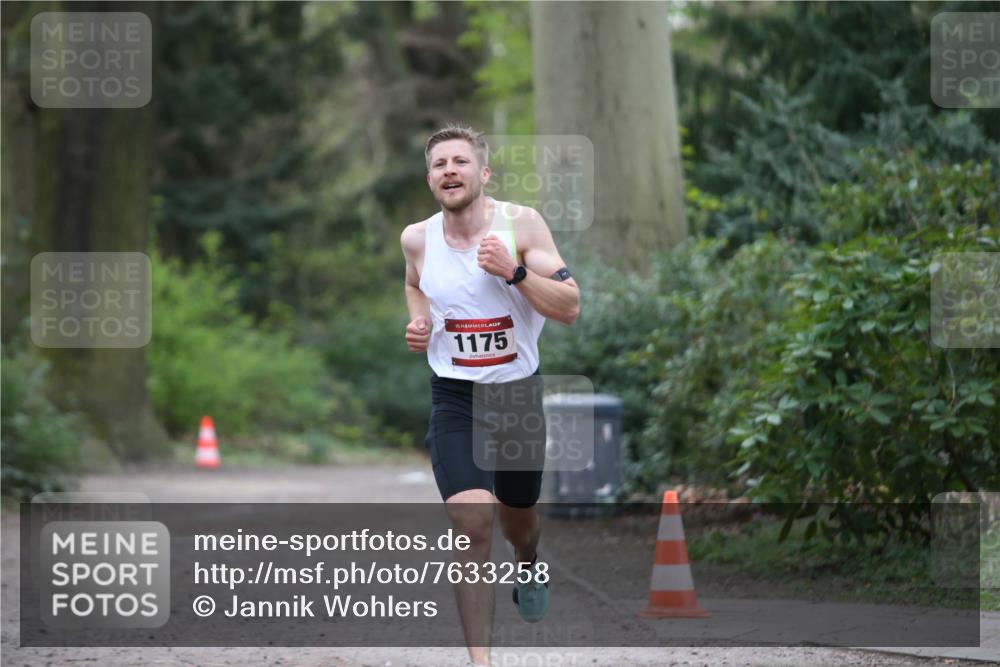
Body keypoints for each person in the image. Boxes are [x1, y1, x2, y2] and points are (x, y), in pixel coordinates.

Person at [400, 125, 580, 667]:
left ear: (483, 174)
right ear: (430, 178)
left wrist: (515, 272)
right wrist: (419, 319)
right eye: (438, 164)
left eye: (459, 161)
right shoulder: (416, 238)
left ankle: (527, 561)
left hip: (517, 397)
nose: (449, 170)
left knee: (517, 522)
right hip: (456, 398)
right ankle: (482, 662)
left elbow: (569, 305)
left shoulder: (519, 224)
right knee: (472, 523)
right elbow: (413, 280)